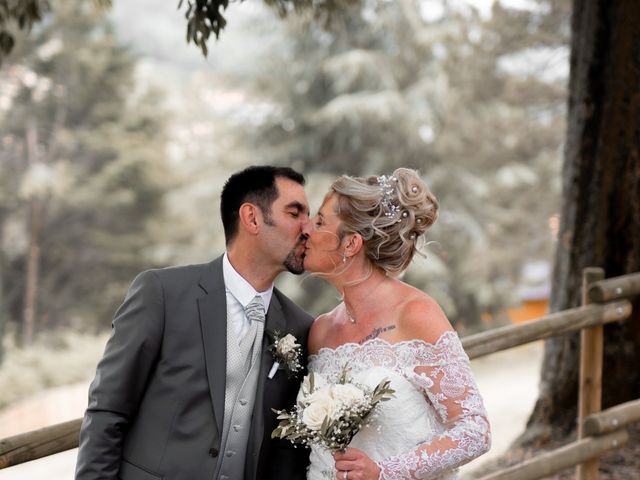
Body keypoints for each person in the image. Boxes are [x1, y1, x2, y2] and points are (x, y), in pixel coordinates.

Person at [75, 165, 314, 480]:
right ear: (252, 218)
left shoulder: (300, 326)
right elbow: (107, 410)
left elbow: (284, 449)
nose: (308, 228)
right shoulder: (162, 294)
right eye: (295, 213)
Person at [301, 168, 491, 480]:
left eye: (319, 221)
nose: (306, 229)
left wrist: (385, 473)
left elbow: (474, 430)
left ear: (350, 244)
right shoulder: (320, 332)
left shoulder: (416, 314)